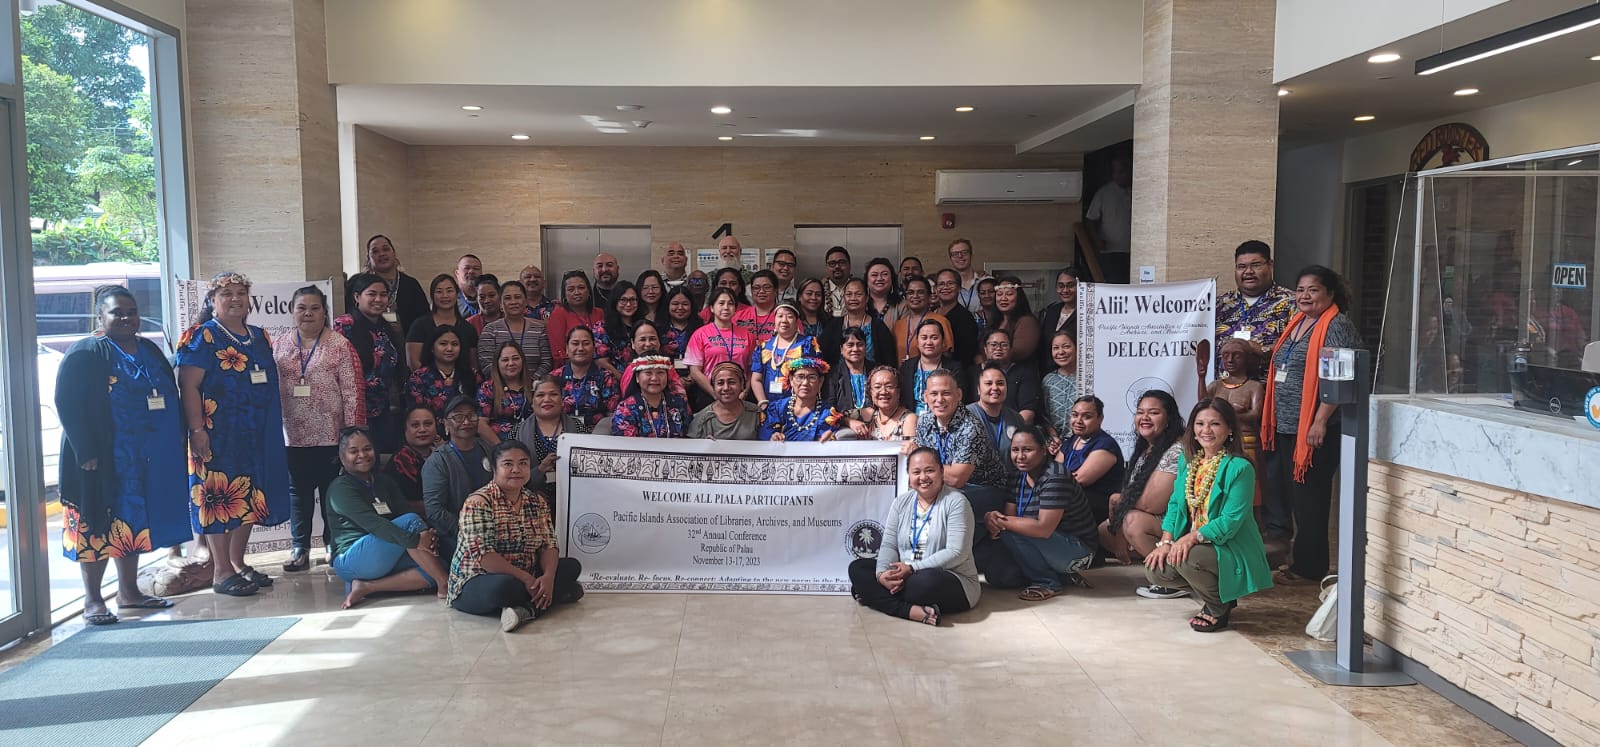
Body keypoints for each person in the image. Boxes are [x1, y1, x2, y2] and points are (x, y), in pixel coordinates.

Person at [57, 286, 190, 623]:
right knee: (97, 524)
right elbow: (67, 403)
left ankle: (129, 592)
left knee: (130, 523)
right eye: (117, 312)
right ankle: (92, 600)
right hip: (100, 458)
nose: (127, 318)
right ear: (100, 317)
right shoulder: (86, 352)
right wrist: (85, 452)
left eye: (131, 311)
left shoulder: (148, 348)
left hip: (142, 457)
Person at [178, 271, 290, 597]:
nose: (235, 299)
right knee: (218, 498)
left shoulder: (259, 336)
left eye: (240, 292)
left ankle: (238, 563)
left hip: (255, 433)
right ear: (212, 301)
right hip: (214, 433)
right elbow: (189, 386)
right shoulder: (201, 336)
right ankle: (220, 571)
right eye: (226, 293)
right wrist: (196, 430)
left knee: (249, 497)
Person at [1263, 265, 1362, 585]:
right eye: (1300, 290)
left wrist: (1319, 421)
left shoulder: (1336, 324)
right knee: (1294, 497)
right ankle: (1300, 559)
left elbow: (1339, 377)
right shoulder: (1299, 322)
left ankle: (1310, 568)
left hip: (1317, 428)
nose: (1304, 296)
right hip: (1287, 425)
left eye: (1313, 290)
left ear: (1330, 294)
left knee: (1311, 499)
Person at [1144, 398, 1273, 632]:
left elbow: (1231, 521)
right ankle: (1221, 590)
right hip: (1196, 545)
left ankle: (1217, 606)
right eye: (1200, 423)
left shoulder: (1240, 467)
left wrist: (1191, 538)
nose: (1206, 430)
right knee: (1156, 569)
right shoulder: (1188, 461)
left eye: (1215, 424)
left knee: (1187, 558)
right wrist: (1166, 541)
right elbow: (1175, 503)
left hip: (1228, 545)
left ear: (1229, 429)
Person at [273, 285, 365, 572]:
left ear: (325, 312)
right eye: (302, 308)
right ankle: (299, 547)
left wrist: (351, 434)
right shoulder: (278, 345)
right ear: (291, 312)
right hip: (292, 436)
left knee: (331, 493)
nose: (308, 313)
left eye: (315, 308)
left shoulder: (339, 345)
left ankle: (331, 543)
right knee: (298, 495)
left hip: (331, 434)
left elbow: (352, 391)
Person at [447, 440, 583, 632]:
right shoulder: (478, 502)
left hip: (525, 573)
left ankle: (525, 610)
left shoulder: (537, 501)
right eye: (508, 464)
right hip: (479, 578)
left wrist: (548, 577)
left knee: (571, 566)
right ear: (493, 468)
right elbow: (485, 558)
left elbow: (549, 544)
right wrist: (527, 579)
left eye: (523, 463)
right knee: (504, 587)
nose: (516, 469)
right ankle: (559, 595)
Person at [848, 447, 978, 625]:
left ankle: (874, 596)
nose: (923, 477)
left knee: (923, 583)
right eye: (916, 472)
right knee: (858, 568)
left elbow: (957, 552)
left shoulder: (956, 502)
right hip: (906, 574)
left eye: (930, 470)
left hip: (948, 578)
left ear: (941, 471)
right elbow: (889, 545)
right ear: (909, 476)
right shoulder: (901, 502)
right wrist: (882, 575)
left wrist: (912, 568)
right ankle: (911, 611)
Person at [326, 427, 448, 609]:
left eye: (367, 449)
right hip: (351, 559)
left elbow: (403, 510)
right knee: (411, 523)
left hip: (386, 551)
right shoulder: (340, 489)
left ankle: (367, 587)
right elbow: (375, 525)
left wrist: (426, 535)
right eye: (354, 451)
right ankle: (446, 584)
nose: (362, 455)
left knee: (438, 565)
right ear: (342, 457)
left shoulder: (384, 481)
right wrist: (416, 539)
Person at [978, 426, 1099, 600]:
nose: (1020, 456)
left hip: (1078, 550)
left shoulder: (1055, 476)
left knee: (1010, 529)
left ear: (1043, 450)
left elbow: (1044, 528)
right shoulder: (1017, 476)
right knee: (999, 576)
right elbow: (1010, 518)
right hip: (1042, 543)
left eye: (1027, 450)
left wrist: (1000, 521)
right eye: (1015, 450)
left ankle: (1048, 582)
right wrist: (993, 520)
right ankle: (1062, 576)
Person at [1102, 391, 1186, 572]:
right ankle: (1151, 556)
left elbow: (1152, 505)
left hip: (1177, 522)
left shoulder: (1176, 450)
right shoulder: (1146, 447)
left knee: (1133, 522)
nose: (1145, 417)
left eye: (1154, 413)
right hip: (1151, 518)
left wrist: (1119, 503)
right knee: (1103, 531)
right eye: (1140, 412)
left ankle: (1170, 577)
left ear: (1169, 418)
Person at [914, 370, 1008, 520]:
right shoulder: (923, 422)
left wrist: (922, 464)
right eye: (934, 394)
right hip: (943, 486)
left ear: (959, 395)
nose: (939, 399)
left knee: (949, 501)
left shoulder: (971, 427)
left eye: (946, 393)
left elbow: (957, 479)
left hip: (983, 489)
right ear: (925, 396)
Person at [336, 273, 407, 453]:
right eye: (372, 294)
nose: (379, 299)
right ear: (357, 297)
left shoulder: (385, 328)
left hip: (382, 410)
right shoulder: (345, 325)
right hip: (354, 413)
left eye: (383, 295)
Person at [423, 395, 494, 562]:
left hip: (493, 526)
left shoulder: (487, 449)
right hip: (456, 535)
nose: (466, 421)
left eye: (471, 415)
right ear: (446, 424)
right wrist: (470, 529)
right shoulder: (438, 461)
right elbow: (435, 511)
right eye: (458, 417)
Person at [1214, 240, 1295, 375]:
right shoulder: (1219, 305)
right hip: (1221, 391)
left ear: (1271, 265)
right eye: (1241, 266)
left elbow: (1298, 348)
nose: (1248, 272)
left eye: (1256, 265)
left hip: (1268, 392)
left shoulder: (1292, 303)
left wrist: (1263, 350)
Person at [1206, 338, 1265, 511]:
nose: (1230, 360)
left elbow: (1255, 414)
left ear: (1247, 359)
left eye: (1236, 355)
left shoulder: (1253, 386)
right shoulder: (1216, 385)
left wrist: (1226, 414)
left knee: (1249, 486)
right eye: (1225, 356)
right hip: (1218, 443)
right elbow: (1204, 405)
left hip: (1246, 441)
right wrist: (1201, 377)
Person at [515, 377, 591, 493]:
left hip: (573, 496)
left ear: (562, 400)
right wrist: (540, 470)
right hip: (530, 498)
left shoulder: (577, 427)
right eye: (540, 395)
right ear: (533, 402)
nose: (547, 399)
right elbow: (511, 472)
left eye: (553, 394)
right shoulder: (518, 432)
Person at [1057, 395, 1125, 524]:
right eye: (1075, 415)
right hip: (1070, 499)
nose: (1078, 421)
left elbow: (1080, 480)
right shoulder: (1072, 440)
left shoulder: (1105, 444)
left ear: (1100, 419)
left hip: (1095, 506)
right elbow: (1053, 471)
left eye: (1086, 417)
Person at [684, 287, 755, 407]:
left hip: (741, 395)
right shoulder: (700, 334)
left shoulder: (747, 335)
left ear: (735, 308)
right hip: (709, 395)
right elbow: (695, 371)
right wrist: (714, 393)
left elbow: (753, 369)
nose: (726, 308)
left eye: (730, 303)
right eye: (721, 303)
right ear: (711, 308)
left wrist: (744, 391)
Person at [759, 358, 854, 441]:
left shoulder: (828, 412)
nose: (805, 383)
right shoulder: (777, 408)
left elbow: (827, 439)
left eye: (812, 378)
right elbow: (764, 434)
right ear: (791, 380)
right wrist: (773, 436)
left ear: (820, 382)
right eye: (800, 377)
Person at [349, 234, 429, 333]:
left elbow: (423, 320)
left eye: (385, 249)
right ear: (369, 258)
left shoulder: (410, 284)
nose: (382, 254)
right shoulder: (356, 282)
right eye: (375, 251)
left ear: (393, 253)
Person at [477, 280, 553, 381]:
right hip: (500, 389)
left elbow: (546, 363)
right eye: (507, 298)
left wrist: (529, 384)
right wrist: (509, 385)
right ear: (500, 302)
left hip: (534, 389)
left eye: (517, 297)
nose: (513, 302)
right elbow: (487, 365)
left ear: (526, 301)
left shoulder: (539, 330)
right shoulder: (490, 330)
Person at [750, 302, 818, 407]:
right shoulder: (764, 346)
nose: (784, 320)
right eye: (780, 316)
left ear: (797, 322)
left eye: (790, 316)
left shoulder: (807, 344)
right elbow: (756, 379)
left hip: (799, 406)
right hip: (768, 406)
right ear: (775, 320)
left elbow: (812, 377)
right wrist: (763, 403)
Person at [407, 274, 479, 371]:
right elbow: (413, 362)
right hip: (426, 382)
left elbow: (472, 364)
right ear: (432, 295)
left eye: (449, 291)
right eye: (439, 292)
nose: (445, 296)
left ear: (457, 294)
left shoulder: (468, 328)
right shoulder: (420, 325)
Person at [899, 319, 969, 417]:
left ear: (943, 342)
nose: (929, 342)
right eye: (924, 338)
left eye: (934, 338)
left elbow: (959, 401)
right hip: (911, 421)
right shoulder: (907, 367)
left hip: (944, 420)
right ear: (917, 342)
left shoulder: (954, 368)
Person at [971, 329, 1043, 424]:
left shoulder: (1024, 372)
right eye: (993, 344)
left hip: (1014, 430)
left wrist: (1010, 434)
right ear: (985, 348)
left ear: (1011, 348)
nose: (998, 348)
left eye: (1004, 344)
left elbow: (1028, 411)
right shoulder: (972, 373)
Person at [821, 279, 896, 367]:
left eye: (858, 294)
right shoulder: (833, 326)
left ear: (867, 298)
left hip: (873, 378)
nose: (853, 298)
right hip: (839, 379)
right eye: (849, 294)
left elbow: (889, 360)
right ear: (844, 297)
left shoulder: (878, 327)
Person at [555, 325, 620, 429]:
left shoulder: (606, 377)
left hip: (596, 437)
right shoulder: (555, 377)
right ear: (567, 348)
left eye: (586, 344)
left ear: (594, 349)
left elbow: (612, 414)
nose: (580, 348)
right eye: (575, 344)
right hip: (561, 434)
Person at [612, 356, 691, 438]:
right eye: (648, 373)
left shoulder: (678, 403)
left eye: (660, 373)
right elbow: (624, 444)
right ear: (637, 378)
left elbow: (688, 433)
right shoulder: (626, 408)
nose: (654, 378)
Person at [406, 326, 478, 415]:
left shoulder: (472, 374)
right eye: (443, 344)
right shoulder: (419, 377)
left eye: (455, 344)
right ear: (432, 347)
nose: (450, 349)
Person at [546, 271, 609, 370]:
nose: (577, 292)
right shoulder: (558, 315)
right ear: (564, 294)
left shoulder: (599, 313)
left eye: (581, 288)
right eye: (571, 289)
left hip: (602, 369)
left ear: (588, 291)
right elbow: (558, 354)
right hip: (571, 371)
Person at [1085, 156, 1132, 284]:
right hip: (1111, 251)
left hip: (1134, 250)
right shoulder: (1104, 192)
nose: (1118, 176)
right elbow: (1090, 220)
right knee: (1115, 285)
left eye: (1121, 171)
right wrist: (1097, 242)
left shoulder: (1136, 190)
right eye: (1115, 172)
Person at [385, 405, 439, 515]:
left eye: (428, 424)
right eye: (415, 425)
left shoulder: (443, 455)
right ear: (405, 430)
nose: (422, 430)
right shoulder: (400, 461)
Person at [687, 361, 762, 440]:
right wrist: (704, 446)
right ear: (713, 387)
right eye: (720, 383)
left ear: (742, 384)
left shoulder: (756, 414)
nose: (726, 388)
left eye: (731, 382)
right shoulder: (701, 419)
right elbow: (692, 449)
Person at [967, 363, 1027, 458]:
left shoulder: (1016, 418)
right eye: (988, 383)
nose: (995, 388)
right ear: (978, 389)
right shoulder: (965, 416)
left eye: (1000, 383)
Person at [890, 275, 952, 363]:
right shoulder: (898, 325)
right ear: (905, 297)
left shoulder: (941, 321)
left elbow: (947, 356)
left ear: (929, 296)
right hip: (904, 374)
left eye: (920, 292)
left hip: (932, 374)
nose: (915, 296)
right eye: (910, 292)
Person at [853, 366, 918, 442]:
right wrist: (850, 422)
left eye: (889, 386)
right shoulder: (869, 414)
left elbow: (910, 452)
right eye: (877, 387)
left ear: (898, 392)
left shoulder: (909, 418)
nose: (883, 392)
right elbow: (838, 417)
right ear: (870, 392)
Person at [932, 268, 982, 364]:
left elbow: (965, 357)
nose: (945, 287)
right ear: (935, 289)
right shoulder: (931, 314)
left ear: (959, 288)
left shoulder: (965, 319)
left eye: (950, 283)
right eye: (941, 284)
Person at [1041, 328, 1079, 443]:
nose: (1061, 352)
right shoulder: (1048, 380)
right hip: (1055, 444)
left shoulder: (1087, 378)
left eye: (1066, 346)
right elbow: (1044, 417)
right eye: (1056, 348)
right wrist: (1053, 438)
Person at [992, 276, 1041, 362]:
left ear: (1019, 297)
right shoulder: (995, 321)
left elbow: (1019, 352)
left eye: (1009, 294)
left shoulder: (1027, 322)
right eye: (999, 294)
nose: (1003, 298)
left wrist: (989, 355)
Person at [1036, 268, 1079, 367]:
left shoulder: (1087, 312)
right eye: (1061, 286)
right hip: (1050, 372)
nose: (1065, 290)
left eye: (1070, 285)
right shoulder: (1052, 311)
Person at [825, 328, 872, 411]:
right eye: (850, 345)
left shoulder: (876, 371)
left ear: (865, 347)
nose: (855, 349)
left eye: (860, 344)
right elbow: (829, 407)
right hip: (842, 422)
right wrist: (847, 421)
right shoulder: (833, 375)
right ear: (841, 349)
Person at [602, 280, 645, 367]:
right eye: (623, 300)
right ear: (615, 302)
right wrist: (624, 379)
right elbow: (602, 362)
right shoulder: (602, 328)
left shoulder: (644, 326)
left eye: (632, 299)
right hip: (613, 378)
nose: (628, 304)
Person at [735, 270, 780, 345]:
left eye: (767, 287)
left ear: (776, 290)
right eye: (756, 288)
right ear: (751, 291)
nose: (761, 291)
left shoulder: (786, 316)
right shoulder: (738, 316)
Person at [661, 285, 701, 362]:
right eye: (675, 304)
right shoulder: (660, 330)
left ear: (691, 306)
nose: (680, 308)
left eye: (685, 304)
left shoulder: (700, 329)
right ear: (668, 305)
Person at [947, 239, 989, 313]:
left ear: (971, 255)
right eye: (955, 254)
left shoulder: (985, 280)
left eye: (964, 252)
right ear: (951, 258)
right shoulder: (946, 286)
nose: (960, 256)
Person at [864, 257, 901, 325]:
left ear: (892, 278)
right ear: (867, 280)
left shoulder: (902, 306)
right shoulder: (858, 303)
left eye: (884, 274)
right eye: (874, 275)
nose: (879, 278)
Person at [822, 246, 852, 316]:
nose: (837, 267)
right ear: (826, 267)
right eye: (832, 263)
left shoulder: (861, 289)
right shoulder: (818, 290)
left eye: (841, 262)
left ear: (849, 265)